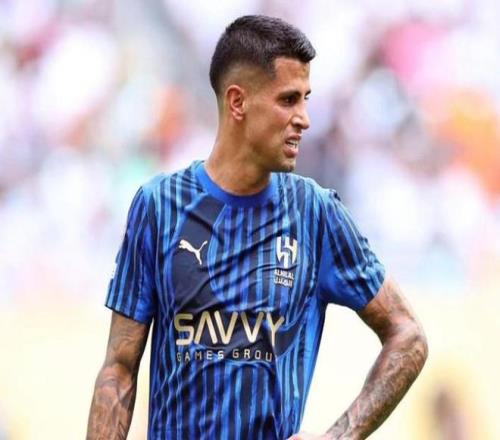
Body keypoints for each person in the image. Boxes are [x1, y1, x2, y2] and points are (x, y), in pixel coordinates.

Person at [86, 15, 428, 440]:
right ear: (238, 102)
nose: (304, 118)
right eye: (288, 100)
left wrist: (340, 436)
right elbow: (119, 368)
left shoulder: (315, 213)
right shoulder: (159, 207)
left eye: (305, 99)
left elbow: (408, 335)